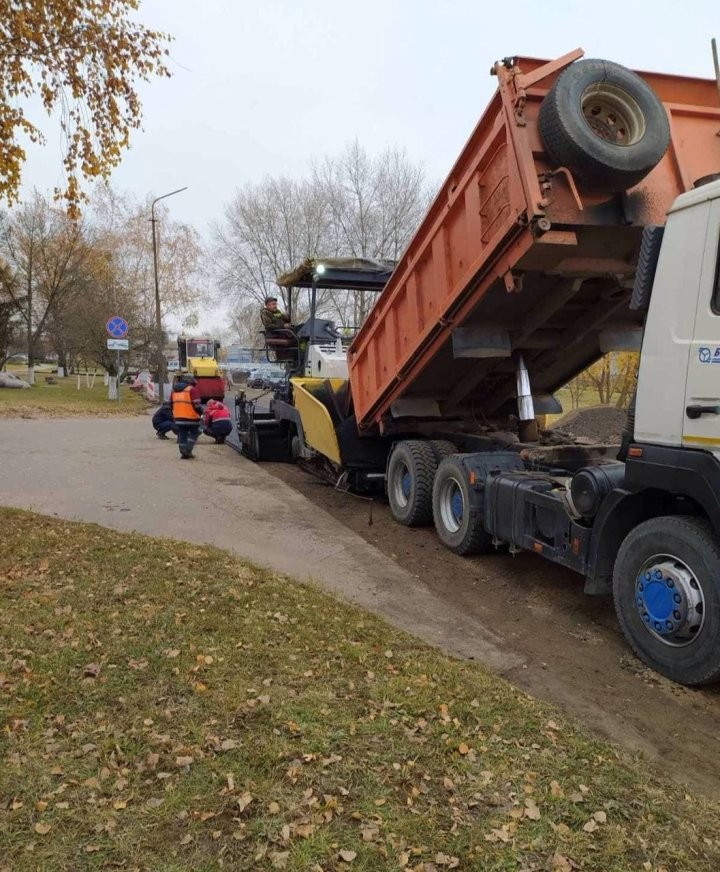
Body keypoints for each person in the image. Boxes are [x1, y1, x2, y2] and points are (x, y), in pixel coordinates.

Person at [171, 374, 203, 459]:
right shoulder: (191, 390)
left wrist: (175, 414)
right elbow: (197, 405)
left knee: (182, 434)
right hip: (191, 417)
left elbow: (171, 404)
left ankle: (183, 452)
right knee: (194, 433)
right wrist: (201, 412)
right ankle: (187, 450)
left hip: (178, 417)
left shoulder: (174, 391)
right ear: (191, 381)